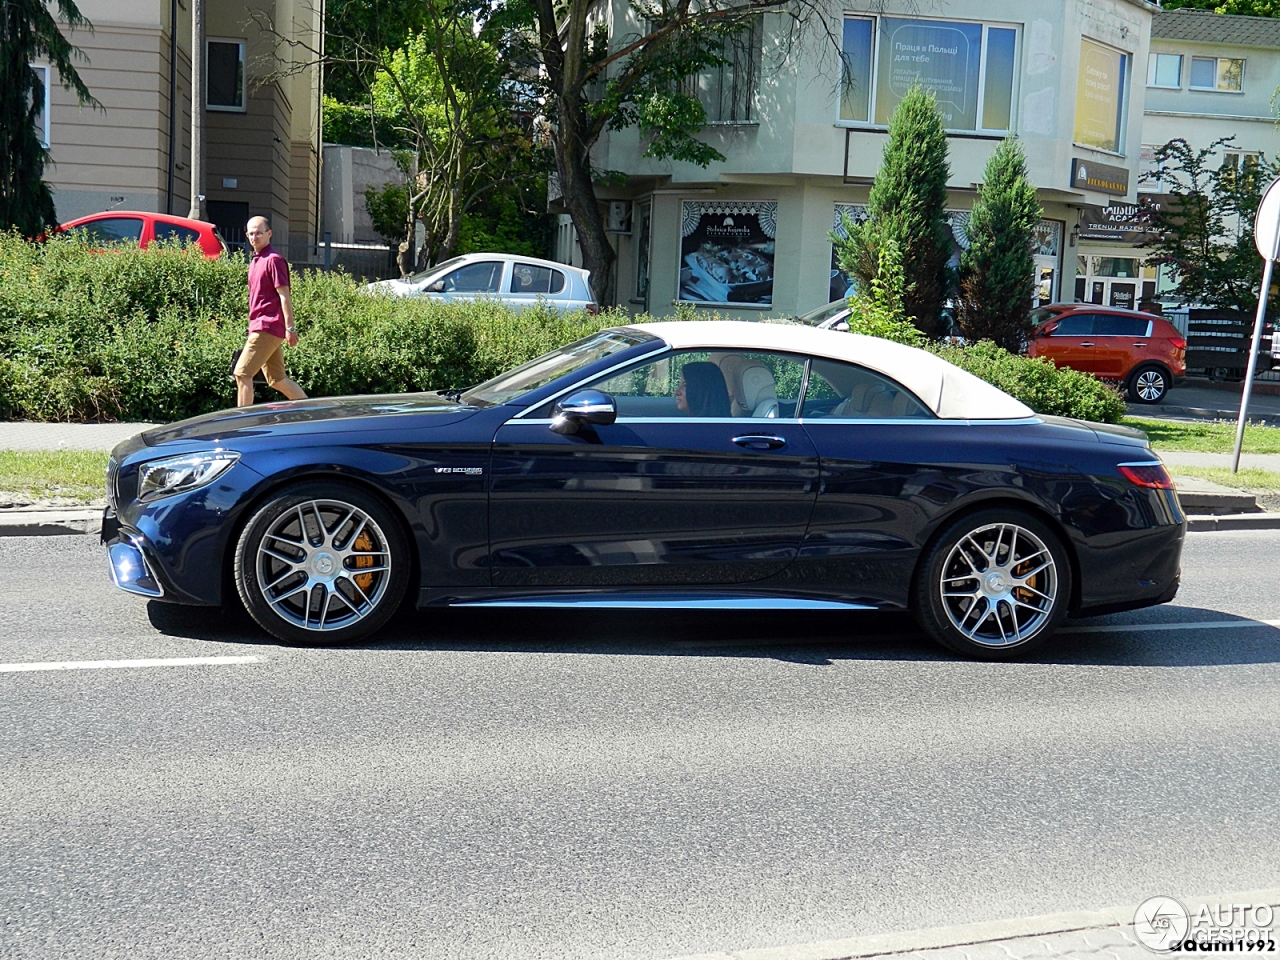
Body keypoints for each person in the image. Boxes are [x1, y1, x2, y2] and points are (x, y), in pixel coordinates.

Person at [234, 216, 307, 407]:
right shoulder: (256, 261)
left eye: (259, 232)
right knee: (277, 379)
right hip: (262, 326)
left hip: (267, 327)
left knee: (242, 374)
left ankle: (242, 424)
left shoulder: (274, 260)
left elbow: (284, 296)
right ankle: (311, 411)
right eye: (251, 233)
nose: (254, 237)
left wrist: (290, 328)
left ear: (269, 233)